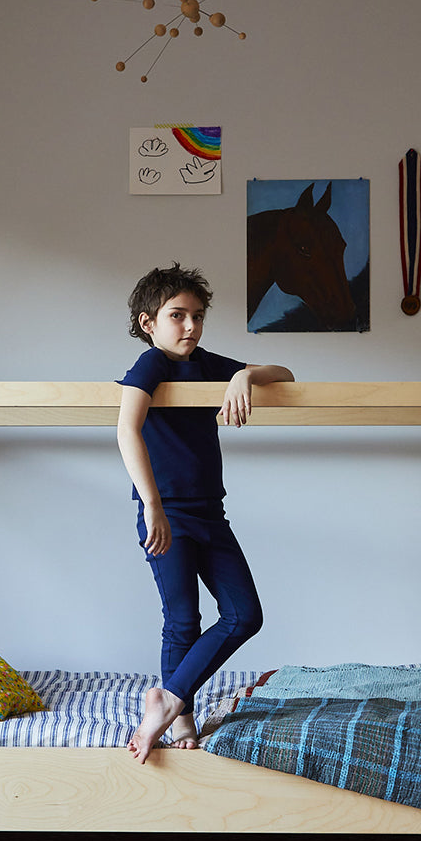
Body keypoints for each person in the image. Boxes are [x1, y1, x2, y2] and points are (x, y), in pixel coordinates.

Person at [116, 262, 294, 763]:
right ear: (149, 322)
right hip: (166, 514)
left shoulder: (208, 363)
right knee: (182, 620)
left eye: (198, 316)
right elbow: (127, 430)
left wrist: (244, 375)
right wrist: (153, 506)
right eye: (177, 315)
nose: (190, 326)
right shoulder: (152, 365)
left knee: (244, 615)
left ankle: (169, 698)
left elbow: (285, 374)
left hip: (211, 514)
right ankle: (182, 716)